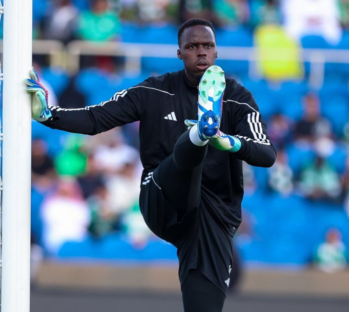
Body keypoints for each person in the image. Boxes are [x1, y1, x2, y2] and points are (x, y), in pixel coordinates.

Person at [26, 18, 276, 312]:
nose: (201, 52)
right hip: (162, 195)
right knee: (185, 156)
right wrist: (48, 115)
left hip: (212, 218)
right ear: (179, 53)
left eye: (208, 46)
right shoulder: (154, 91)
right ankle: (199, 132)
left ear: (217, 52)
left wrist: (227, 142)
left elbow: (266, 153)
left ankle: (206, 132)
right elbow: (97, 118)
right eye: (192, 46)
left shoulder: (237, 98)